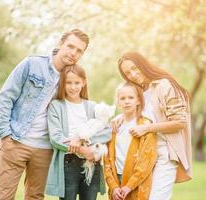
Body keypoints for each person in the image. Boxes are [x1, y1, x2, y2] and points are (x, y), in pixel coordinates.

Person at [0, 29, 89, 200]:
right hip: (15, 140)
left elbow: (79, 110)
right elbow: (5, 97)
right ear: (60, 44)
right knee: (3, 196)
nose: (73, 53)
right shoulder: (32, 64)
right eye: (70, 46)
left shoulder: (71, 78)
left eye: (79, 50)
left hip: (45, 148)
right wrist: (5, 134)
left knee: (35, 197)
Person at [116, 52, 192, 200]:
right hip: (144, 154)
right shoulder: (141, 91)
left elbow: (180, 122)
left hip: (165, 152)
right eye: (127, 73)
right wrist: (119, 117)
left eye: (134, 68)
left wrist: (147, 129)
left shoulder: (164, 85)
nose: (132, 74)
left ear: (142, 64)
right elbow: (140, 114)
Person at [45, 65, 111, 200]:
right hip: (69, 163)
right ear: (63, 83)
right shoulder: (56, 106)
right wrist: (82, 150)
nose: (73, 87)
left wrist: (82, 139)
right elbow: (56, 137)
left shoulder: (92, 106)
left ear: (84, 83)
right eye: (68, 82)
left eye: (77, 82)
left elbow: (106, 131)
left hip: (91, 163)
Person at [104, 82, 157, 200]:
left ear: (138, 100)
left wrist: (129, 186)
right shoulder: (113, 127)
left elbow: (147, 161)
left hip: (136, 182)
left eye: (131, 97)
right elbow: (107, 160)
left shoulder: (145, 126)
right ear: (118, 102)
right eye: (122, 98)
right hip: (116, 181)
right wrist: (113, 186)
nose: (127, 101)